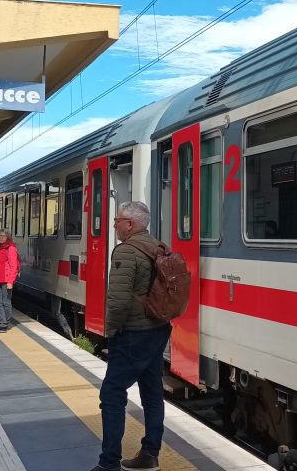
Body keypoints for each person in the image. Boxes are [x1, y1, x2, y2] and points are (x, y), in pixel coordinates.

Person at [92, 201, 172, 471]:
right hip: (158, 330)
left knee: (112, 394)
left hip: (133, 334)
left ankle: (109, 463)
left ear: (130, 224)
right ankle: (150, 454)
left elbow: (118, 301)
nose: (114, 224)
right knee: (152, 394)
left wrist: (110, 331)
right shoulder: (157, 246)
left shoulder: (126, 251)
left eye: (117, 220)